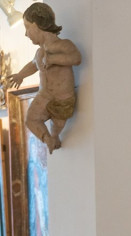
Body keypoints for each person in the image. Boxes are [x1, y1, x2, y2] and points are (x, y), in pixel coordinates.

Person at [9, 3, 82, 154]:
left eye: (27, 27)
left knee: (57, 125)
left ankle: (54, 137)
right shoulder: (39, 52)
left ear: (37, 25)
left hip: (63, 98)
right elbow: (33, 65)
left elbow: (76, 58)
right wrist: (20, 75)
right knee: (30, 120)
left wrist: (54, 59)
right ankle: (47, 139)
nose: (26, 34)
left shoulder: (63, 45)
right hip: (44, 96)